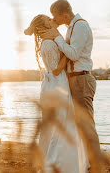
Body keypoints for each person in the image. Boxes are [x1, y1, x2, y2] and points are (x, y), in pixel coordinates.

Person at [38, 0, 101, 169]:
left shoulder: (80, 26)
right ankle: (85, 161)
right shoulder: (71, 28)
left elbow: (73, 54)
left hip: (81, 79)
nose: (54, 19)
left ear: (64, 14)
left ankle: (96, 165)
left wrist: (57, 38)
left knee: (87, 124)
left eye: (55, 16)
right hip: (72, 80)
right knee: (77, 124)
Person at [25, 14, 88, 173]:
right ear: (44, 25)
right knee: (62, 120)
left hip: (51, 84)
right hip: (58, 82)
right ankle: (56, 162)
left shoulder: (47, 41)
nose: (52, 20)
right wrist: (68, 48)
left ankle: (50, 158)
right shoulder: (49, 42)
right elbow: (57, 68)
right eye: (48, 19)